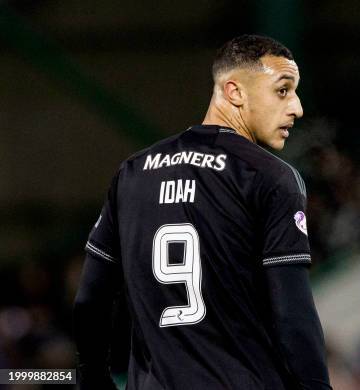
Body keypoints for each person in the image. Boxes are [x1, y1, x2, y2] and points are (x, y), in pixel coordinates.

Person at [74, 34, 332, 390]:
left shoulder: (132, 173)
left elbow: (91, 298)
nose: (297, 108)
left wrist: (92, 377)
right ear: (234, 91)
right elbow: (293, 314)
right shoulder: (269, 177)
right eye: (283, 90)